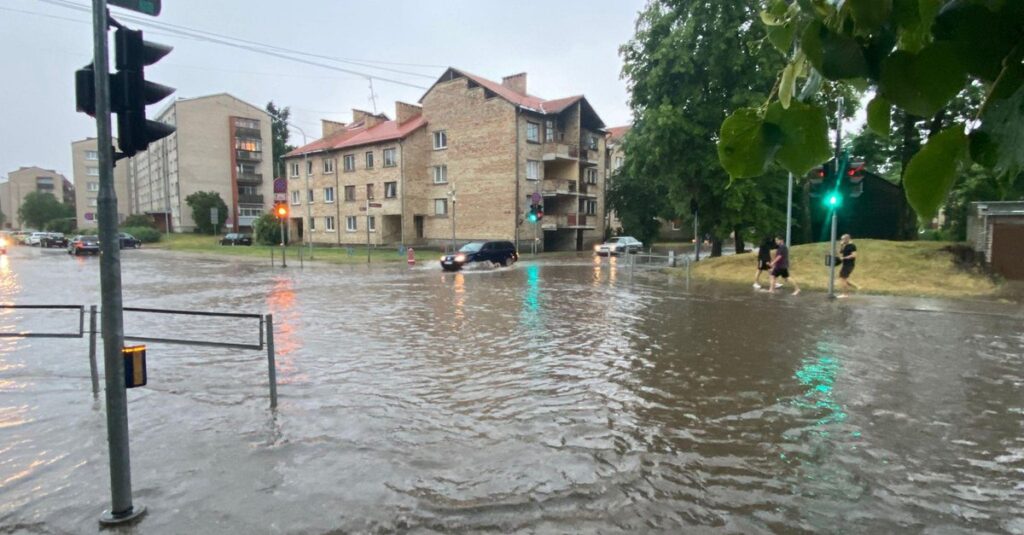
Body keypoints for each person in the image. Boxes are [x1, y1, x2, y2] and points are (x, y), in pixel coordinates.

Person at [837, 234, 860, 298]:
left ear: (847, 239)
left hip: (849, 265)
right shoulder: (846, 246)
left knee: (842, 279)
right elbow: (840, 252)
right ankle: (857, 287)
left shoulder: (852, 246)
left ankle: (845, 294)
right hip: (845, 264)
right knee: (843, 278)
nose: (842, 240)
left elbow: (854, 255)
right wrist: (841, 245)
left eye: (842, 239)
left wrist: (844, 258)